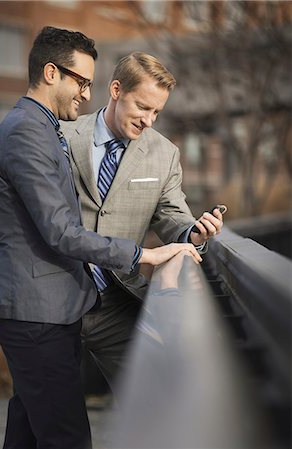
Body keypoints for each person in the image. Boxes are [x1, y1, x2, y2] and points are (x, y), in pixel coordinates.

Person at [0, 29, 201, 449]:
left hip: (59, 307)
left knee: (29, 432)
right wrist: (144, 254)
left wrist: (191, 233)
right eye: (81, 82)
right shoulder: (28, 132)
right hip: (37, 310)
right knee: (67, 439)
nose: (86, 94)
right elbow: (60, 230)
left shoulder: (42, 127)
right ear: (52, 73)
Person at [60, 52, 224, 394]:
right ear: (116, 89)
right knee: (43, 416)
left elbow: (172, 215)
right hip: (56, 302)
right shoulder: (61, 136)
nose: (149, 120)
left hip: (117, 303)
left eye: (157, 112)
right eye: (142, 107)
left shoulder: (164, 154)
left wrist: (193, 232)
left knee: (154, 399)